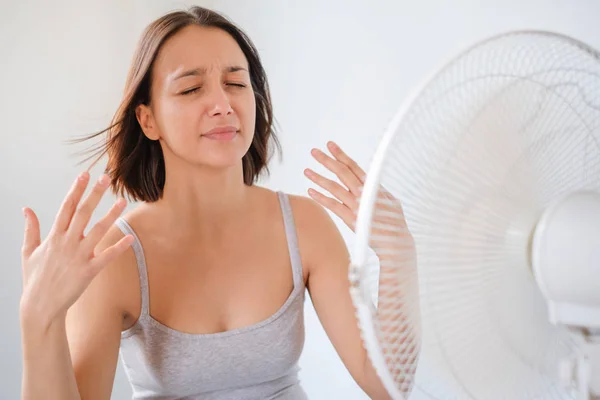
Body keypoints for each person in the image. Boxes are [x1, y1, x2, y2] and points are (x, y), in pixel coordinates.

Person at [19, 6, 412, 400]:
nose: (223, 104)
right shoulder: (115, 255)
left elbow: (388, 386)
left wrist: (398, 257)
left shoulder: (305, 225)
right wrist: (39, 320)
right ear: (147, 119)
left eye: (236, 84)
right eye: (191, 89)